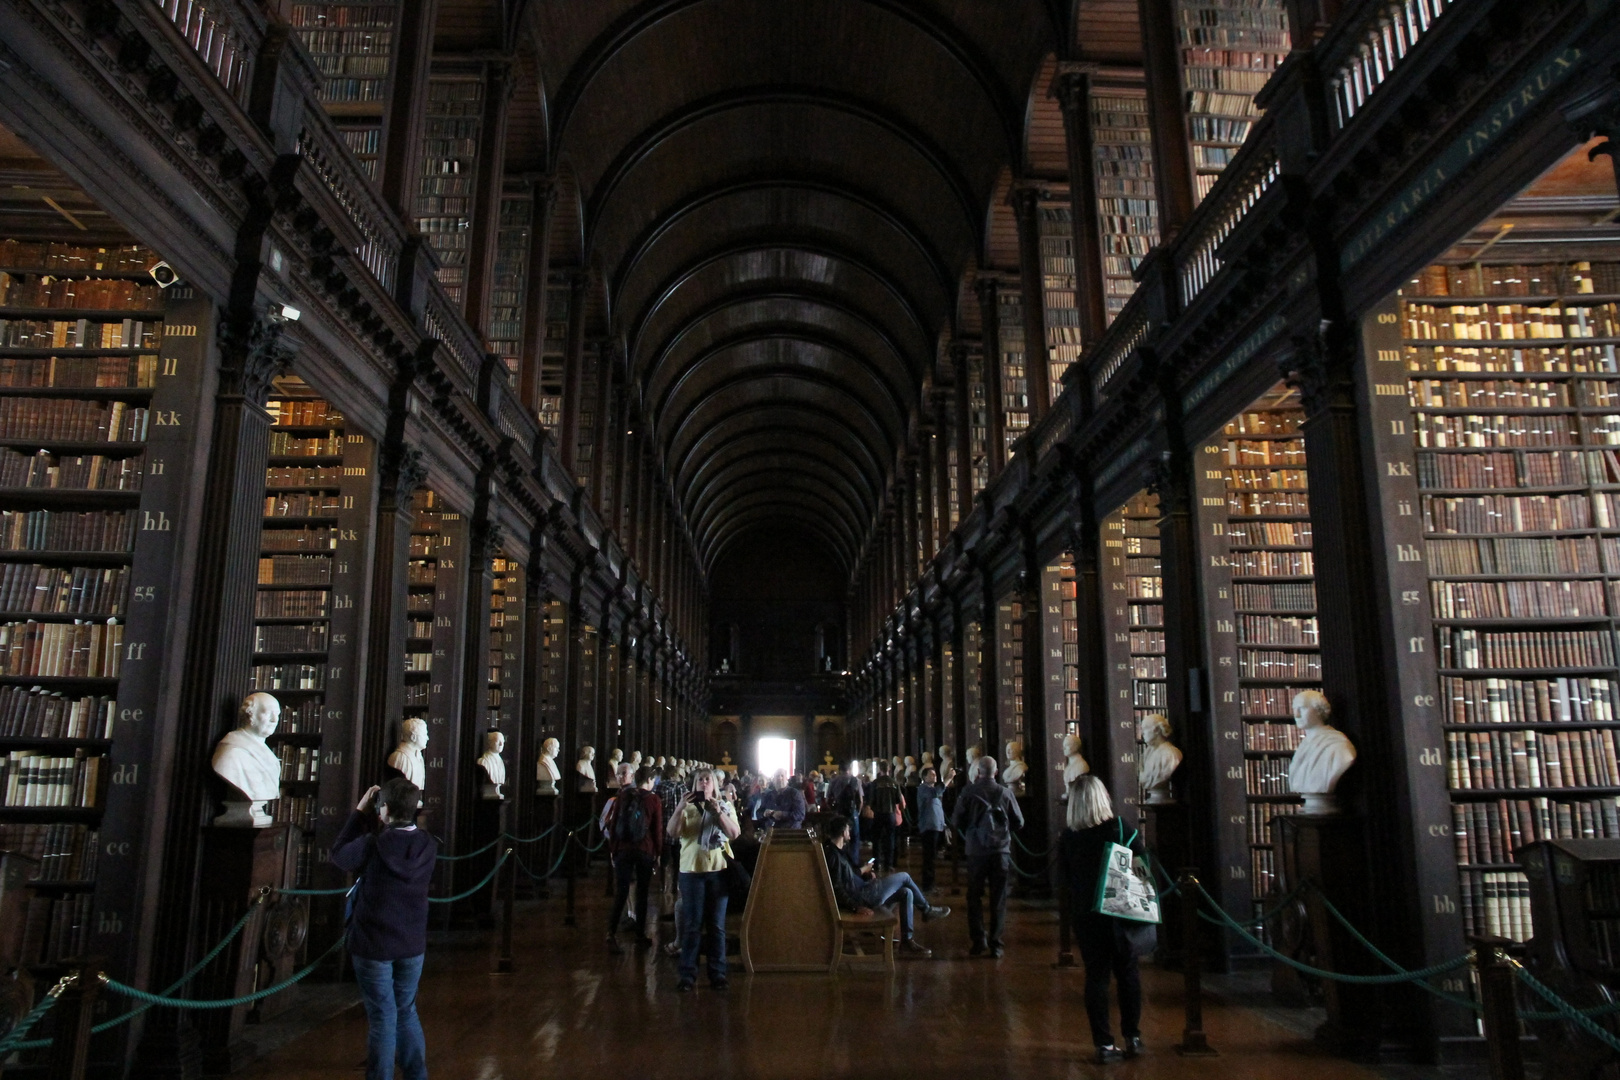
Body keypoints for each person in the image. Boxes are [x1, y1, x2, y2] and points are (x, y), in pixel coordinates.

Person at [331, 778, 437, 1080]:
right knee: (406, 1011)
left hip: (373, 943)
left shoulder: (373, 844)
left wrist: (359, 814)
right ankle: (417, 1076)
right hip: (412, 943)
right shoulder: (428, 845)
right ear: (415, 808)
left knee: (382, 1016)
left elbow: (338, 854)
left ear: (384, 809)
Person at [1059, 775, 1147, 1063]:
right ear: (1103, 798)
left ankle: (1104, 1045)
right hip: (1121, 912)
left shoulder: (1069, 837)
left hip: (1087, 914)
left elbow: (1064, 880)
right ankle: (1132, 1037)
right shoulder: (1121, 828)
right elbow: (1143, 866)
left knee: (1096, 977)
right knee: (1128, 973)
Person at [820, 814, 949, 957]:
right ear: (843, 831)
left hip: (864, 890)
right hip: (863, 896)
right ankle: (927, 910)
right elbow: (836, 888)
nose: (850, 833)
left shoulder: (838, 851)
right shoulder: (832, 855)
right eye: (848, 830)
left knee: (907, 892)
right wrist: (855, 907)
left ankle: (907, 942)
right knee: (904, 876)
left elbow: (849, 875)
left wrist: (865, 874)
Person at [668, 767, 741, 991]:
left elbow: (734, 833)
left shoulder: (725, 806)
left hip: (717, 871)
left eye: (708, 780)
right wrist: (681, 807)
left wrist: (718, 812)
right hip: (691, 872)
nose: (704, 783)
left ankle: (717, 973)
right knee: (692, 925)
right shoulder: (687, 807)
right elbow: (672, 832)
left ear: (715, 784)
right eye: (700, 780)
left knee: (716, 926)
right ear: (694, 784)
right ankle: (688, 975)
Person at [951, 754, 1023, 958]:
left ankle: (978, 941)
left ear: (978, 772)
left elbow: (956, 820)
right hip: (1000, 851)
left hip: (976, 851)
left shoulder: (968, 792)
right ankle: (996, 944)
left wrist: (972, 830)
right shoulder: (1005, 793)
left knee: (974, 896)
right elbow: (1019, 822)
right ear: (997, 772)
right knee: (998, 897)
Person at [601, 765, 664, 954]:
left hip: (623, 849)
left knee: (621, 892)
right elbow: (657, 830)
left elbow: (612, 825)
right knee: (642, 893)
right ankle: (639, 935)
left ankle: (610, 932)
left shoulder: (623, 796)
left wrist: (613, 849)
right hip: (644, 850)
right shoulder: (653, 799)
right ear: (650, 780)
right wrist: (657, 853)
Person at [825, 760, 865, 869]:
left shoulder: (834, 781)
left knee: (838, 836)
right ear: (849, 769)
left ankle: (842, 863)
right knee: (855, 839)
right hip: (853, 812)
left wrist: (833, 810)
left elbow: (828, 799)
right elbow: (860, 800)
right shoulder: (856, 780)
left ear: (839, 769)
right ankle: (854, 863)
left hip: (839, 812)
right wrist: (857, 812)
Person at [915, 765, 947, 891]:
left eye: (935, 774)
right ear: (924, 777)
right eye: (931, 774)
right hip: (928, 827)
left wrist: (943, 825)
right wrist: (948, 779)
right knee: (929, 857)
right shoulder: (923, 789)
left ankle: (930, 883)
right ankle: (928, 885)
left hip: (936, 827)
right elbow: (934, 793)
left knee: (932, 857)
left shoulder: (933, 790)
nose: (935, 776)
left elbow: (938, 809)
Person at [866, 762, 903, 871]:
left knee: (876, 840)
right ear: (889, 769)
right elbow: (898, 800)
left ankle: (876, 864)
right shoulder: (894, 783)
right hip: (890, 814)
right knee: (890, 839)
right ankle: (889, 864)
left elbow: (871, 800)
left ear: (879, 769)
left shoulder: (875, 783)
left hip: (878, 814)